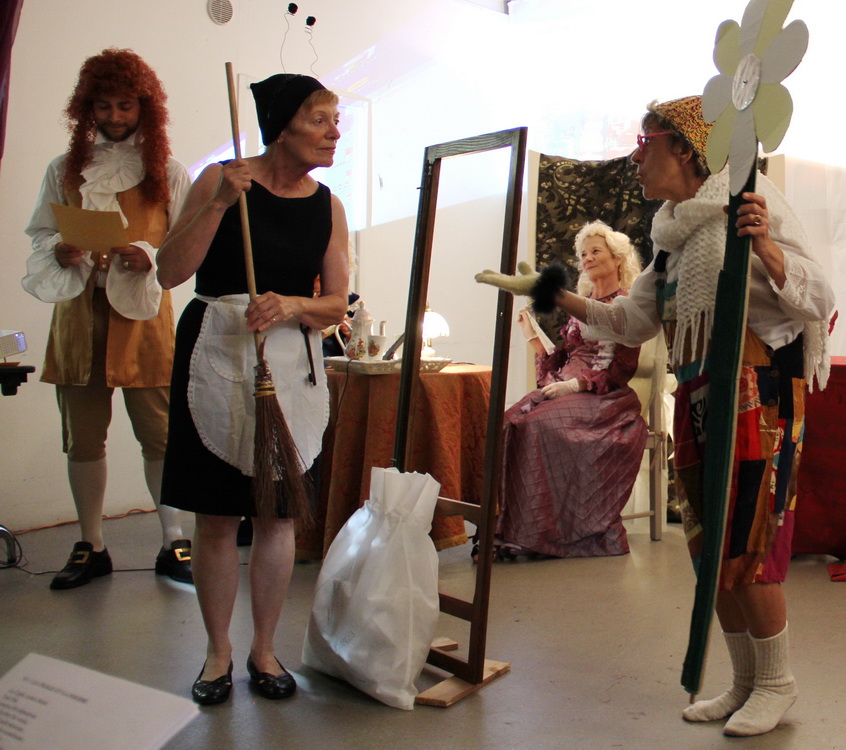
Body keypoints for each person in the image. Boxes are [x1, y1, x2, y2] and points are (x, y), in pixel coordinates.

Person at [487, 96, 835, 737]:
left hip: (759, 392)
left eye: (644, 144)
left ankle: (777, 683)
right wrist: (550, 293)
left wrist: (766, 247)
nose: (635, 158)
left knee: (747, 541)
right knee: (708, 547)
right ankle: (745, 682)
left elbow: (820, 296)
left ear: (685, 148)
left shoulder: (748, 205)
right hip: (701, 394)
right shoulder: (673, 236)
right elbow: (628, 320)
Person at [156, 73, 349, 705]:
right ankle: (217, 654)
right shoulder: (221, 180)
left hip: (289, 367)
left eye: (336, 120)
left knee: (277, 512)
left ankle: (264, 650)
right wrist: (216, 205)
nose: (334, 132)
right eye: (320, 119)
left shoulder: (328, 205)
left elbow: (334, 305)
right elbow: (170, 271)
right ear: (281, 126)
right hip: (216, 353)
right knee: (215, 514)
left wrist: (292, 304)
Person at [22, 48, 193, 589]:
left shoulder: (168, 171)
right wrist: (59, 249)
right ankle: (91, 544)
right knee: (83, 439)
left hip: (145, 317)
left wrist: (149, 254)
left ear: (145, 108)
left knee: (161, 436)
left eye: (125, 105)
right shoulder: (62, 169)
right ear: (87, 108)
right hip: (79, 316)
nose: (114, 116)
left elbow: (189, 242)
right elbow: (41, 233)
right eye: (104, 106)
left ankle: (174, 541)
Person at [482, 222, 647, 560]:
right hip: (568, 390)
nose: (588, 258)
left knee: (536, 426)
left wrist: (577, 385)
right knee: (508, 421)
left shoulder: (627, 303)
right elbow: (565, 358)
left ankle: (542, 535)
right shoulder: (583, 302)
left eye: (596, 251)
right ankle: (511, 530)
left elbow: (622, 368)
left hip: (605, 397)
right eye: (583, 254)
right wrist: (533, 338)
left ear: (618, 258)